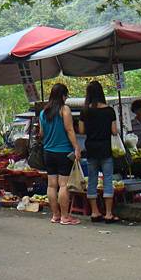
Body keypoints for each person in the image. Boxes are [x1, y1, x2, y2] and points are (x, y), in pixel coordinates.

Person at [39, 83, 82, 226]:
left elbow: (41, 134)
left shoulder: (43, 112)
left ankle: (55, 215)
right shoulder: (64, 110)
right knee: (63, 185)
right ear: (63, 96)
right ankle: (65, 217)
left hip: (48, 152)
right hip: (63, 152)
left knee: (51, 185)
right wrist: (77, 147)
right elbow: (70, 130)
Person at [79, 81, 119, 223]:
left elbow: (82, 131)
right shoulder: (109, 111)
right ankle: (108, 213)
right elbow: (114, 131)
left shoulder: (85, 111)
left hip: (91, 148)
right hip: (105, 148)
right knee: (108, 179)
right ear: (101, 93)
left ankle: (95, 212)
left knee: (92, 180)